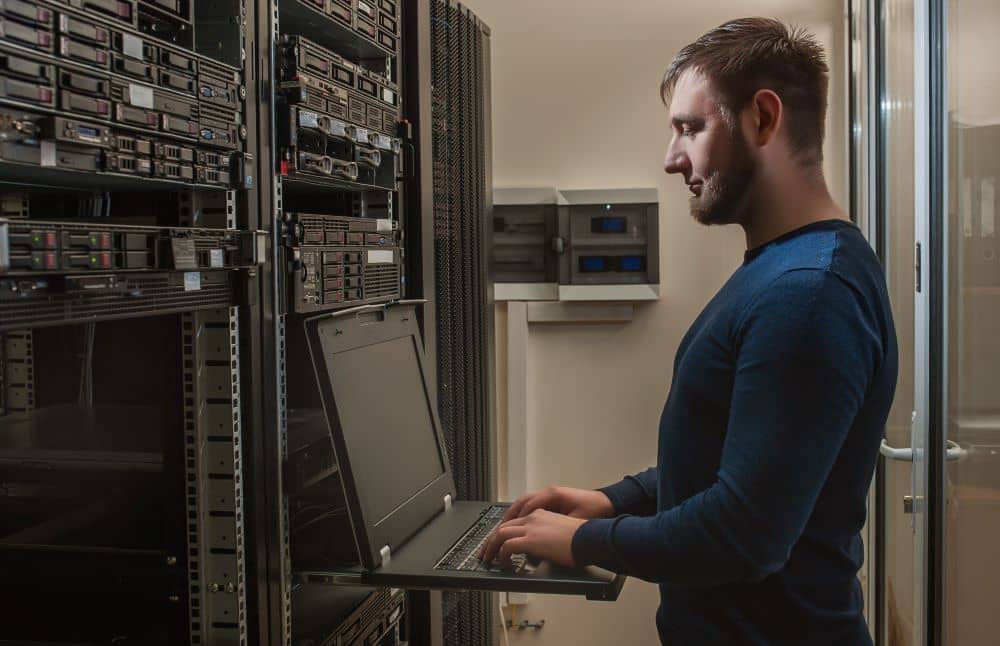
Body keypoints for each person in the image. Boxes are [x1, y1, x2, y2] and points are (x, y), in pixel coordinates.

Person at [480, 17, 898, 646]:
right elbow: (739, 460)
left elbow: (742, 534)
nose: (673, 159)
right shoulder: (790, 271)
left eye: (690, 128)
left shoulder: (809, 295)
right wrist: (613, 501)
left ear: (762, 118)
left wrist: (583, 541)